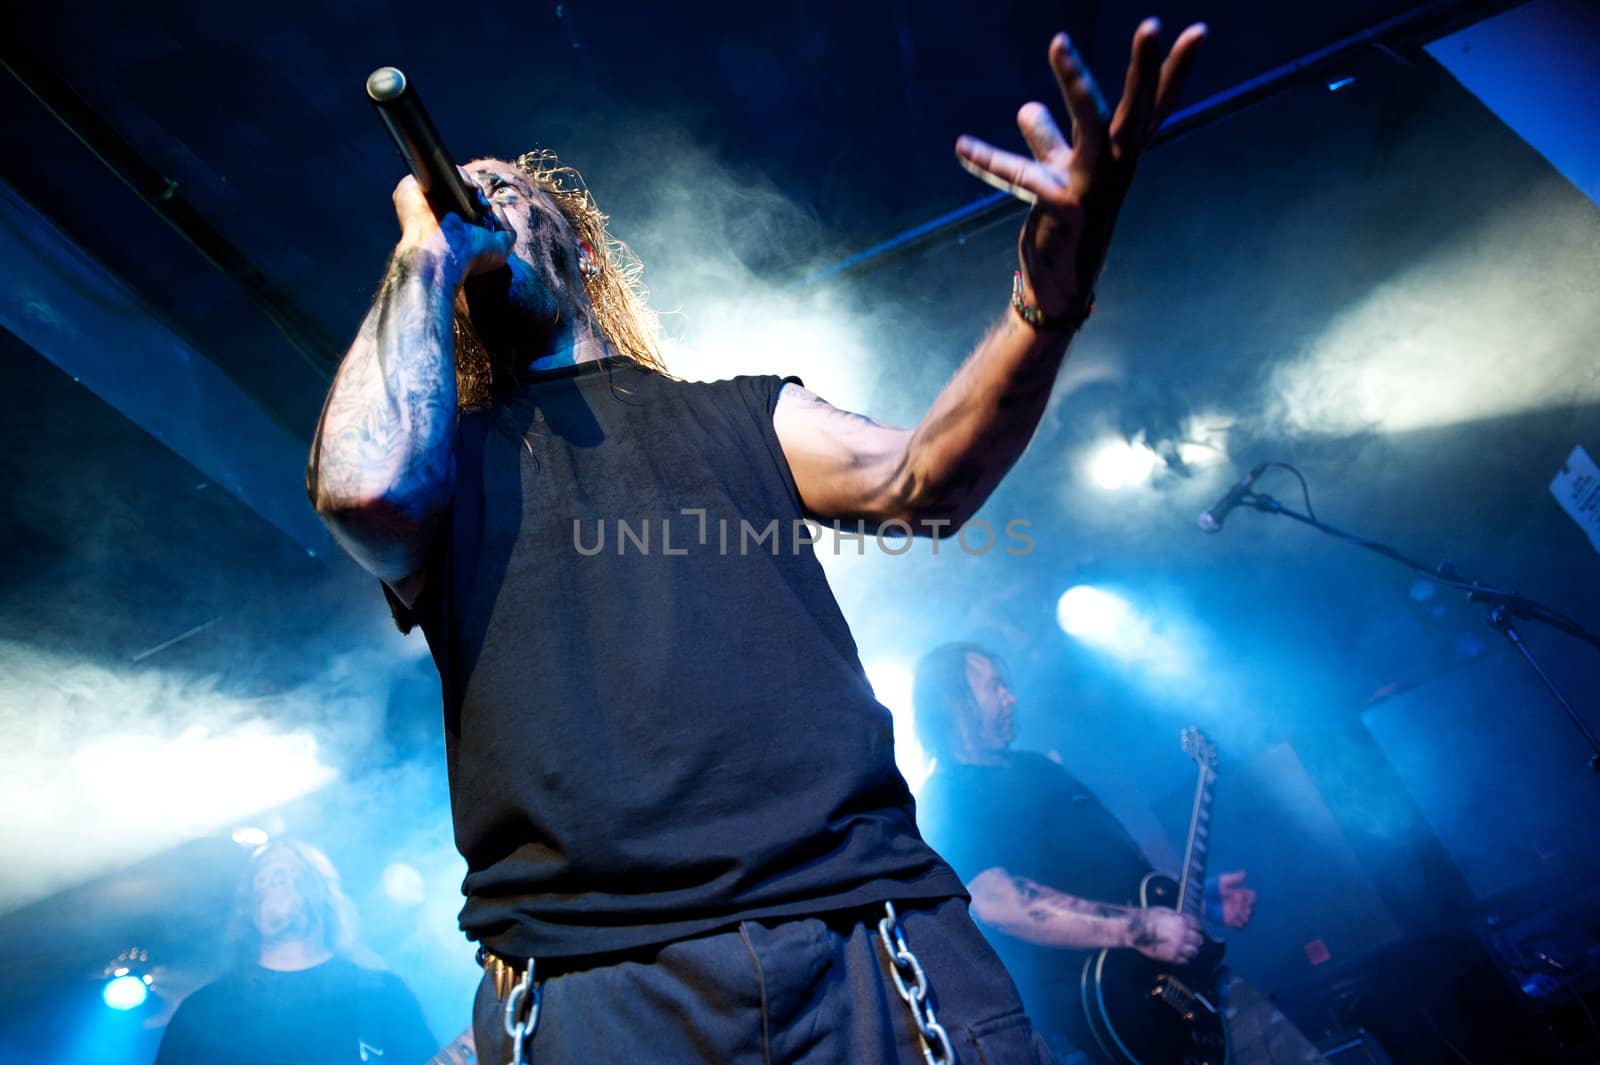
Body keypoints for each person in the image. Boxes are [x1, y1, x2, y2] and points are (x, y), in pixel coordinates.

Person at [307, 19, 1207, 1064]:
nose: (475, 200)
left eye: (505, 188)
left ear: (581, 246)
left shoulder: (739, 415)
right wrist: (421, 252)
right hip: (591, 982)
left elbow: (926, 478)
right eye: (458, 196)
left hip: (863, 933)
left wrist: (1047, 298)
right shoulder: (442, 466)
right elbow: (364, 492)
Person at [910, 643, 1257, 1063]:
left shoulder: (1034, 766)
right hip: (1090, 1025)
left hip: (1164, 994)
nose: (1011, 697)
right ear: (954, 704)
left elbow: (1110, 869)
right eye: (995, 687)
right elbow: (999, 902)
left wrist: (1189, 899)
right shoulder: (949, 795)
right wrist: (1142, 929)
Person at [154, 840, 437, 1065]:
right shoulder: (205, 1009)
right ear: (250, 907)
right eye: (264, 876)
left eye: (291, 872)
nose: (277, 879)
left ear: (323, 891)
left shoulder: (382, 992)